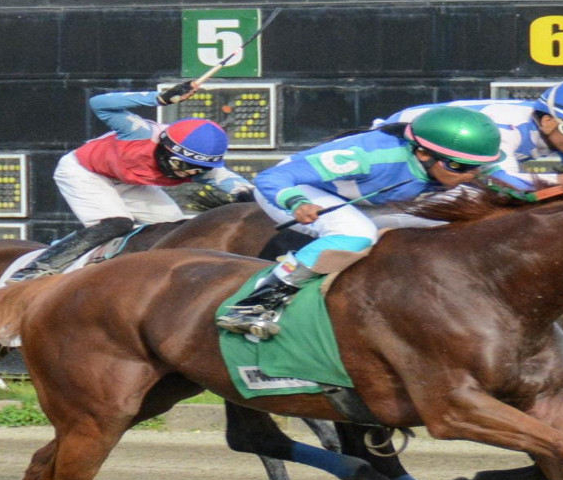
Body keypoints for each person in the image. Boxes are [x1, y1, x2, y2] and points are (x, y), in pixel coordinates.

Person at [215, 105, 505, 339]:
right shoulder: (369, 158)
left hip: (365, 200)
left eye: (477, 167)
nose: (470, 174)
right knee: (356, 233)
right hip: (297, 191)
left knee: (454, 223)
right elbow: (270, 178)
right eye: (458, 167)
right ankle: (253, 304)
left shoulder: (447, 163)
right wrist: (296, 202)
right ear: (423, 152)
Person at [7, 89, 254, 283]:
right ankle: (37, 268)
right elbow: (100, 103)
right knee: (117, 223)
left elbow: (249, 194)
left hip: (129, 182)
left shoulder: (207, 170)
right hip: (84, 172)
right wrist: (158, 98)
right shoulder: (139, 133)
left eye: (195, 169)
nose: (187, 173)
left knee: (174, 231)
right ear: (166, 147)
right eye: (182, 163)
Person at [373, 78, 563, 196]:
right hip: (392, 162)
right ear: (547, 122)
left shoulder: (556, 131)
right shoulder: (503, 131)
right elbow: (506, 182)